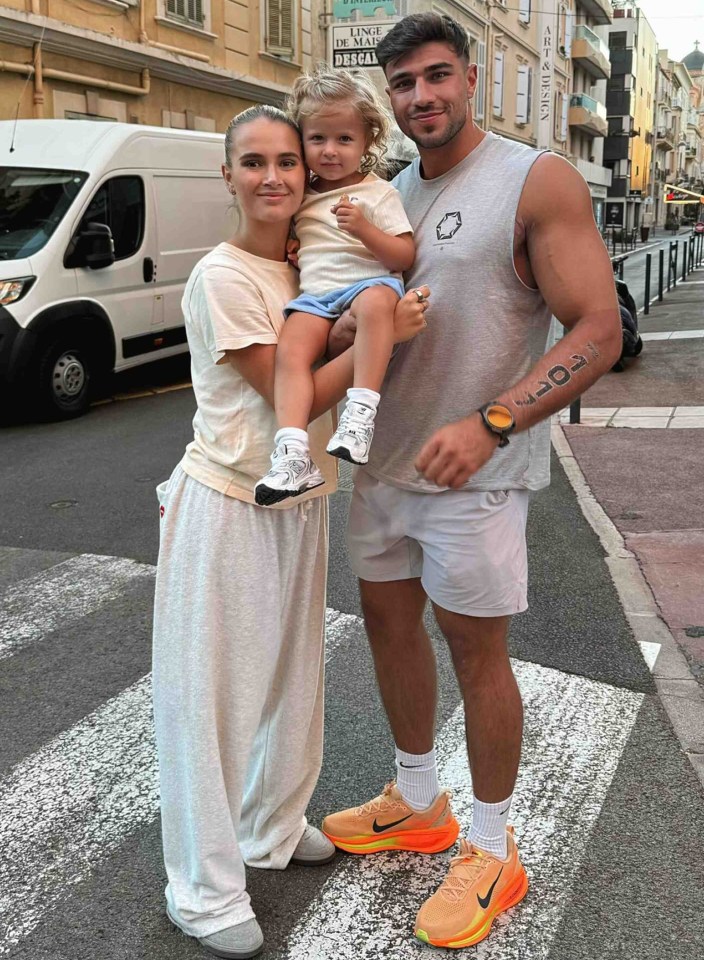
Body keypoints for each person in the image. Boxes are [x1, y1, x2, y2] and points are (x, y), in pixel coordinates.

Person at [321, 11, 622, 951]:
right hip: (379, 467)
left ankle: (493, 848)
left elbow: (599, 330)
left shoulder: (535, 179)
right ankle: (419, 801)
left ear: (472, 77)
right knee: (386, 628)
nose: (423, 98)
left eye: (438, 76)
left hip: (475, 476)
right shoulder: (388, 191)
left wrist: (495, 422)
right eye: (405, 84)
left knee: (477, 655)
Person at [151, 105, 429, 960]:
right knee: (213, 700)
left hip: (300, 500)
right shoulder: (225, 275)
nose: (273, 176)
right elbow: (285, 390)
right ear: (226, 175)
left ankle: (269, 828)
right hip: (231, 502)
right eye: (253, 162)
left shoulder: (309, 263)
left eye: (287, 161)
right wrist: (392, 333)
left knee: (289, 683)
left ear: (310, 174)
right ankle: (200, 890)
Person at [254, 68, 415, 506]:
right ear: (301, 140)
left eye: (344, 139)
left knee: (379, 301)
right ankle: (292, 453)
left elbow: (403, 257)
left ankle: (361, 413)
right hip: (317, 297)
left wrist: (364, 229)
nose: (330, 151)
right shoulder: (301, 196)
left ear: (366, 143)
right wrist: (294, 247)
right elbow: (304, 239)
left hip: (369, 283)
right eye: (318, 139)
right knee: (290, 353)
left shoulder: (378, 193)